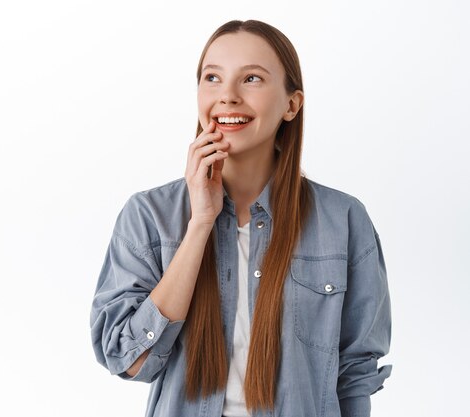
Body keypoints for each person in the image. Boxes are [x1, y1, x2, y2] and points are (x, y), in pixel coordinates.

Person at [90, 19, 392, 417]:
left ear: (291, 104)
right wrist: (200, 223)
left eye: (251, 79)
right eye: (212, 77)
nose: (227, 96)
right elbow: (128, 359)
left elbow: (354, 374)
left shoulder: (343, 220)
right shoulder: (148, 217)